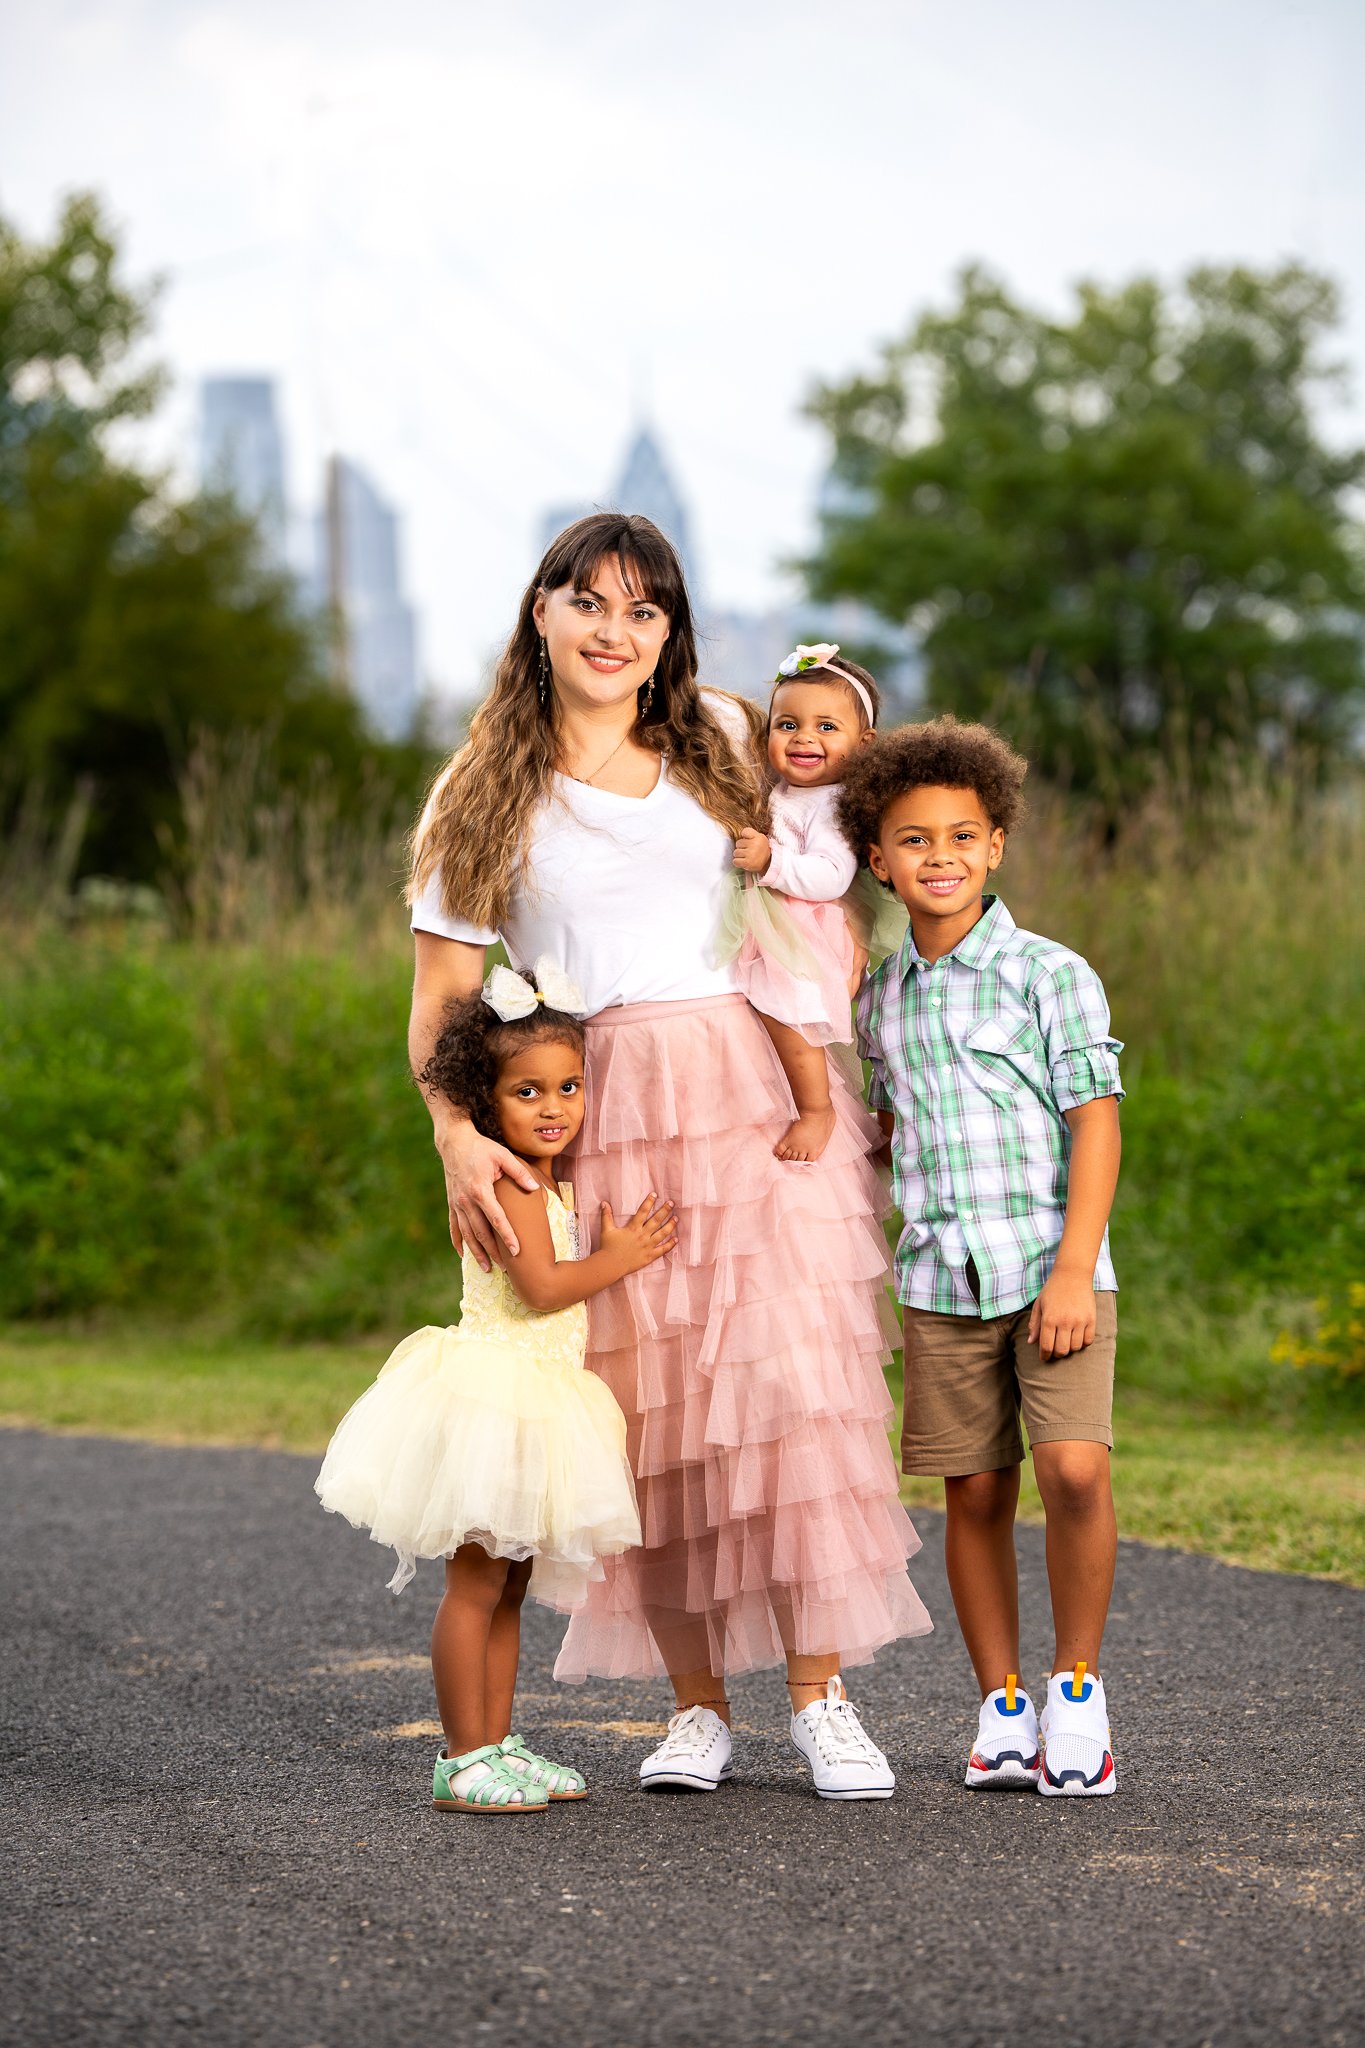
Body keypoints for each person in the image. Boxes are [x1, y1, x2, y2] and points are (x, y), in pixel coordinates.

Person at [407, 511, 930, 1802]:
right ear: (540, 613)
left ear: (669, 631)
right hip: (601, 1108)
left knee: (792, 1391)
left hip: (754, 1089)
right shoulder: (481, 789)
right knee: (654, 1424)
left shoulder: (727, 735)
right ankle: (698, 1706)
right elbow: (443, 1003)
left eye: (642, 610)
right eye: (587, 602)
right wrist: (457, 1135)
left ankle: (822, 1697)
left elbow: (843, 835)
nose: (614, 631)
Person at [839, 717, 1124, 1797]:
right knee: (973, 1490)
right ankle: (1003, 1704)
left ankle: (1076, 1689)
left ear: (996, 843)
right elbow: (885, 1129)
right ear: (878, 858)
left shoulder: (1049, 974)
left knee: (1075, 1468)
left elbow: (1095, 1125)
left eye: (962, 835)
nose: (940, 856)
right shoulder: (878, 997)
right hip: (939, 1280)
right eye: (914, 839)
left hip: (1053, 1270)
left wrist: (1073, 1268)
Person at [315, 960, 668, 1815]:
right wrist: (618, 1258)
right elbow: (542, 1289)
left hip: (536, 1403)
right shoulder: (508, 1182)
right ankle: (461, 1755)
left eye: (569, 1087)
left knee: (508, 1585)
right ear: (483, 1102)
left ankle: (497, 1741)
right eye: (527, 1092)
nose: (554, 1107)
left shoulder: (544, 1179)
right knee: (475, 1586)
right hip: (495, 1402)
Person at [726, 642, 879, 1163]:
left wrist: (772, 860)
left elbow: (832, 876)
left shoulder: (834, 803)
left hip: (803, 927)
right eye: (787, 725)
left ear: (864, 744)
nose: (804, 737)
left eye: (827, 727)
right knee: (761, 1011)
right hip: (775, 922)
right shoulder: (787, 789)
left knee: (791, 1014)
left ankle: (817, 1109)